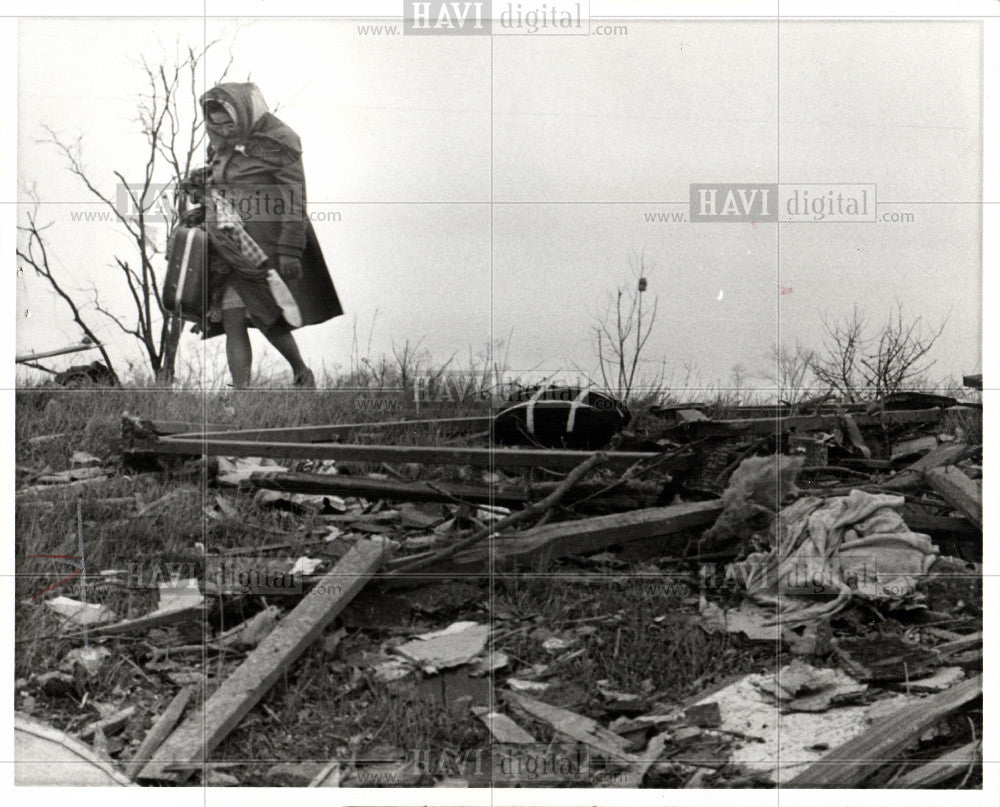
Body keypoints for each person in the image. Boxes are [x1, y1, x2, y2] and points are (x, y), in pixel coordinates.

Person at [184, 82, 342, 388]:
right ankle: (243, 395)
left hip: (261, 245)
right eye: (215, 125)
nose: (222, 131)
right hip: (225, 243)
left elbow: (295, 199)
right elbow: (222, 183)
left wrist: (290, 249)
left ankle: (301, 373)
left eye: (227, 123)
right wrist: (202, 188)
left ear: (242, 113)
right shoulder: (219, 144)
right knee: (232, 319)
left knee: (265, 315)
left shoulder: (280, 141)